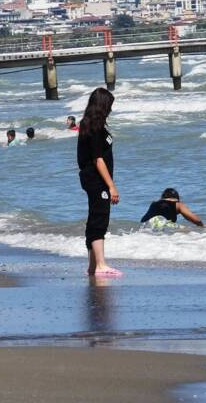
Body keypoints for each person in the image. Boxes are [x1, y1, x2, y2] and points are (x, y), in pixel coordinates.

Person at [77, 87, 121, 277]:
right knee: (99, 218)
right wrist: (111, 185)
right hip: (95, 179)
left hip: (93, 178)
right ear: (102, 106)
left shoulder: (93, 125)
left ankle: (93, 265)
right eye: (109, 105)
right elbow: (98, 159)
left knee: (95, 217)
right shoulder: (94, 127)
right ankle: (101, 264)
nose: (110, 109)